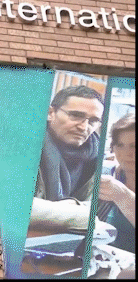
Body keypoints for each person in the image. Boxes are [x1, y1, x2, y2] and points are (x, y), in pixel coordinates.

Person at [29, 85, 104, 231]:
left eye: (93, 121)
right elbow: (11, 203)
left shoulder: (95, 158)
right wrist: (75, 213)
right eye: (75, 115)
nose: (84, 127)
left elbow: (96, 208)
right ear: (50, 113)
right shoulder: (25, 145)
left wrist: (74, 206)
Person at [99, 112, 135, 253]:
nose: (127, 153)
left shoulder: (116, 187)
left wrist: (122, 195)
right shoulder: (105, 174)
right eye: (120, 145)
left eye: (134, 145)